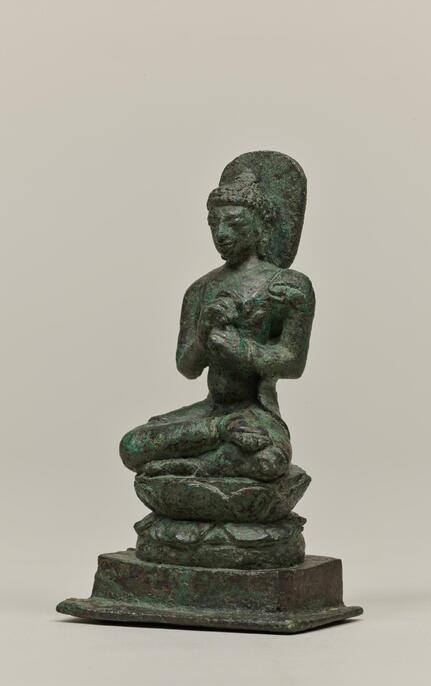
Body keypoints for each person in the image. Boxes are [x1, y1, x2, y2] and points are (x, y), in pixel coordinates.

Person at [120, 167, 315, 484]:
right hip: (210, 414)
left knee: (271, 460)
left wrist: (241, 349)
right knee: (131, 445)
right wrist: (203, 334)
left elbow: (293, 363)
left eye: (234, 223)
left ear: (261, 225)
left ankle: (188, 467)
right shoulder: (200, 290)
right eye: (214, 224)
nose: (222, 234)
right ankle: (220, 436)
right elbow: (187, 367)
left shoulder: (290, 286)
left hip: (256, 413)